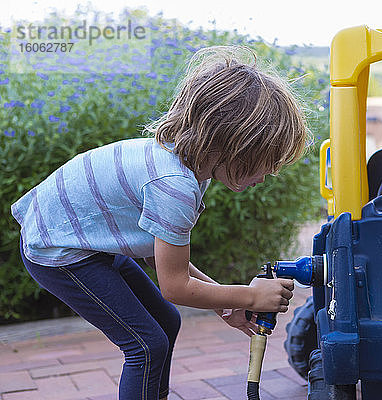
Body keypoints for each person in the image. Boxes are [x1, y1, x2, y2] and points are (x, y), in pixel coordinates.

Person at [10, 45, 312, 400]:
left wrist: (226, 304)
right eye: (265, 160)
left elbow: (160, 256)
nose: (268, 174)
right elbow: (175, 286)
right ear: (230, 144)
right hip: (60, 251)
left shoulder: (184, 164)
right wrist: (249, 295)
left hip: (86, 240)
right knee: (146, 345)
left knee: (167, 323)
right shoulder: (174, 186)